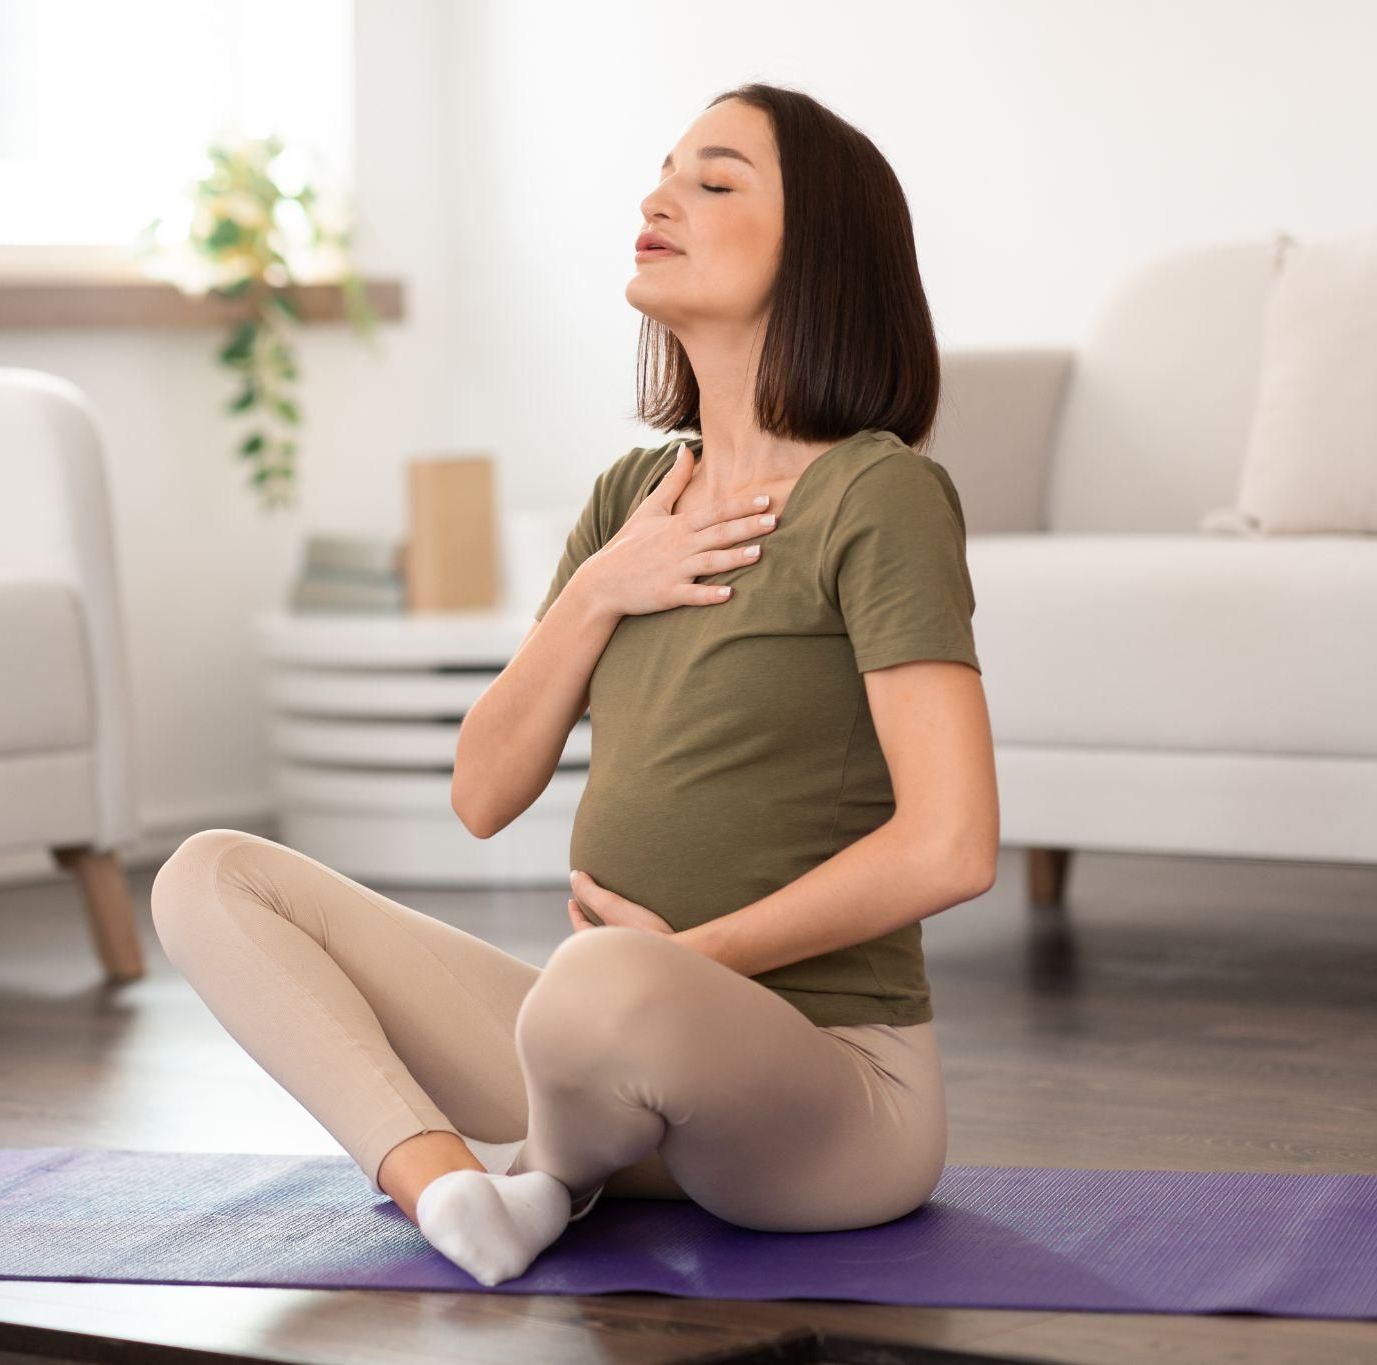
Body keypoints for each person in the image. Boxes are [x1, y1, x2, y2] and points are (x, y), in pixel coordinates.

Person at [150, 81, 1000, 1288]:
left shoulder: (875, 494)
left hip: (828, 1096)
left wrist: (685, 963)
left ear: (819, 254)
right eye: (661, 174)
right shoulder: (627, 502)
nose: (658, 198)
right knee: (211, 876)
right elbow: (483, 791)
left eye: (712, 182)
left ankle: (546, 1168)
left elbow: (951, 846)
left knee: (592, 983)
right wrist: (602, 587)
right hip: (601, 1058)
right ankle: (457, 1190)